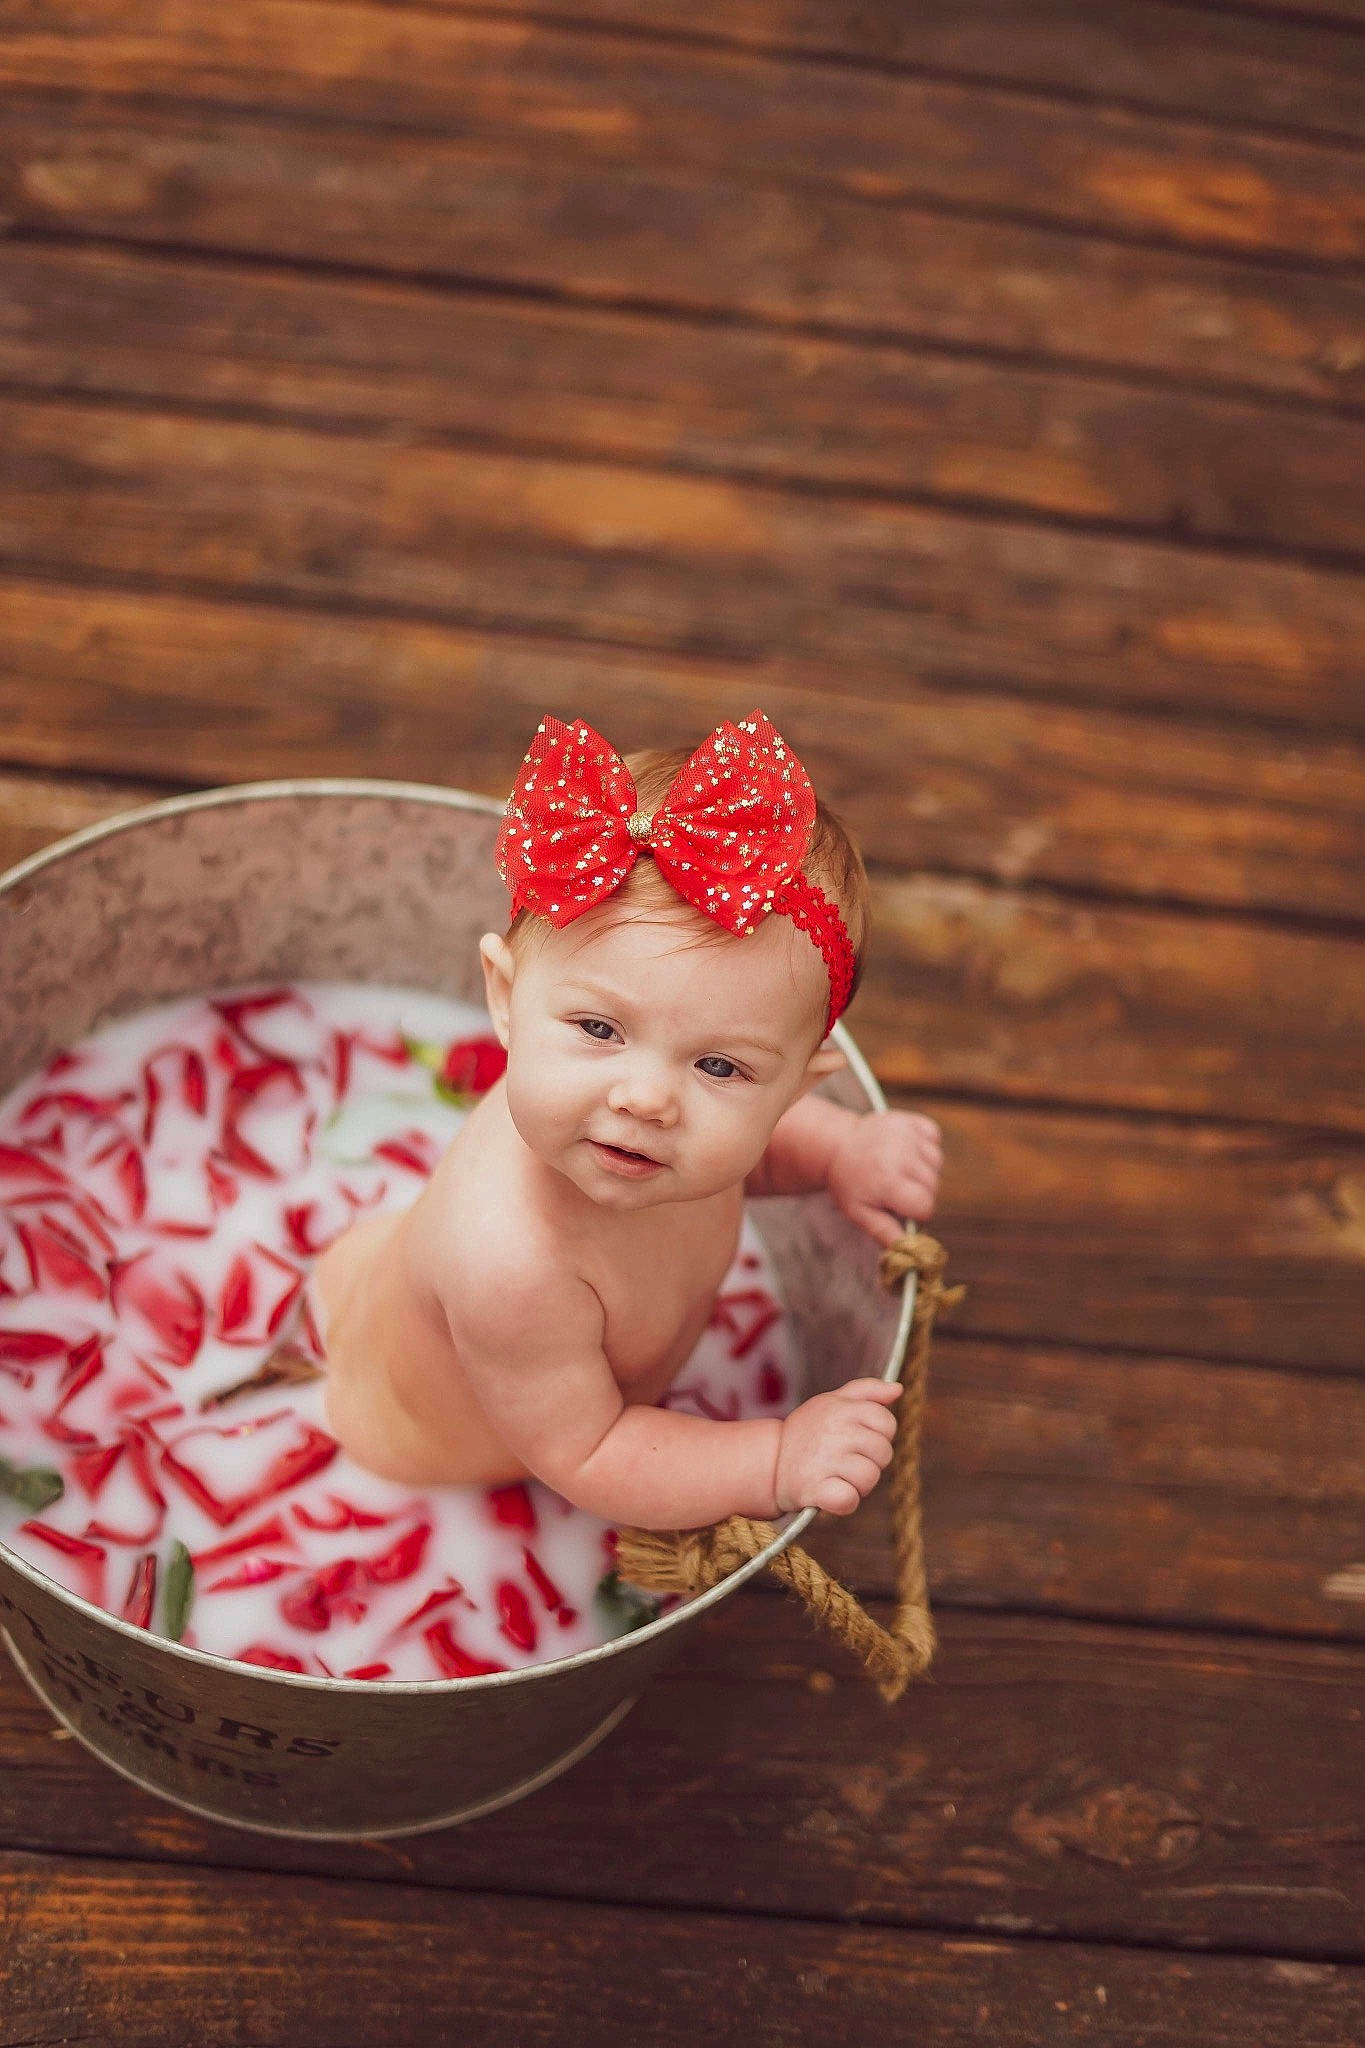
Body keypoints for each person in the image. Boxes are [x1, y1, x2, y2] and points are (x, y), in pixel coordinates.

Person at [312, 711, 942, 1530]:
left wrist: (841, 1151)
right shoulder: (512, 1265)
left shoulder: (640, 1140)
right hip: (419, 1444)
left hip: (461, 1341)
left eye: (719, 1066)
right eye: (599, 1030)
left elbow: (750, 1156)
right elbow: (593, 1453)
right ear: (504, 999)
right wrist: (775, 1459)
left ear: (794, 1088)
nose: (646, 1099)